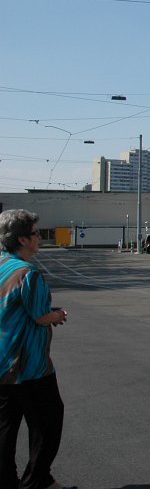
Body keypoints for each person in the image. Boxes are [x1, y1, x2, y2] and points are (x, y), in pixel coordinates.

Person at [0, 209, 68, 489]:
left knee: (5, 427)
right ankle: (36, 481)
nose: (40, 238)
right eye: (37, 233)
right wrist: (58, 314)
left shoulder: (3, 265)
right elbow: (40, 316)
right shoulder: (28, 274)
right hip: (29, 365)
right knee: (47, 424)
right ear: (23, 239)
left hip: (2, 363)